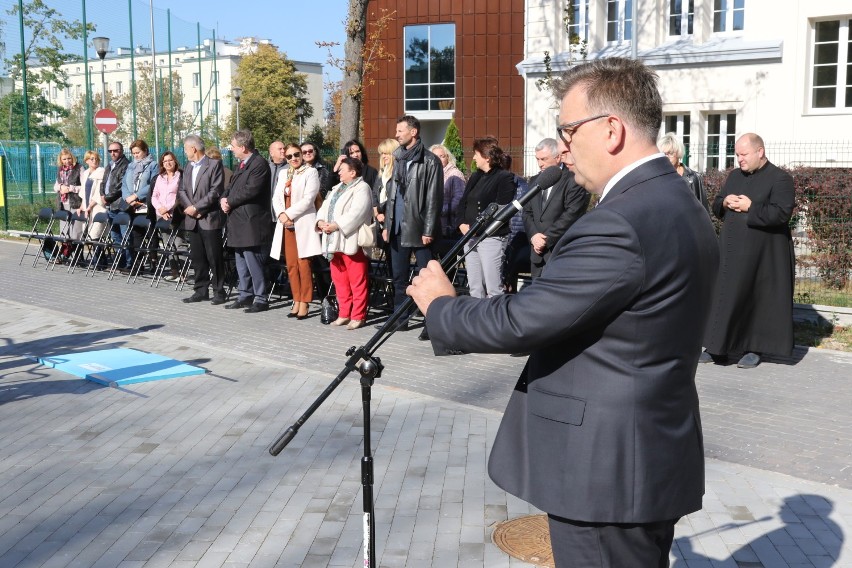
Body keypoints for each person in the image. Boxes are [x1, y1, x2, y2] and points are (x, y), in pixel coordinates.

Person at [406, 57, 719, 568]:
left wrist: (443, 306)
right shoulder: (678, 201)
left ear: (612, 129)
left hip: (605, 472)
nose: (563, 147)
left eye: (568, 130)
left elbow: (525, 319)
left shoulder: (621, 222)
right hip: (644, 455)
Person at [700, 133, 795, 369]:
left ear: (759, 152)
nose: (739, 160)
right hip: (731, 251)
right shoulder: (735, 176)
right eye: (737, 155)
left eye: (743, 155)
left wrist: (751, 207)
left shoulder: (780, 179)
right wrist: (724, 202)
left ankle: (753, 349)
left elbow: (781, 214)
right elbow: (716, 204)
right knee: (724, 297)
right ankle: (717, 348)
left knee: (755, 299)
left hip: (762, 254)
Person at [382, 115, 443, 336]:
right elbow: (392, 195)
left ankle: (431, 322)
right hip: (397, 228)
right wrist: (388, 224)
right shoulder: (397, 157)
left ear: (413, 132)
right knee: (399, 277)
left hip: (419, 229)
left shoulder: (429, 161)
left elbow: (434, 198)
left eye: (400, 131)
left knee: (426, 278)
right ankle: (400, 318)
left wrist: (428, 229)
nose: (396, 134)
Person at [316, 157, 374, 330]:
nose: (338, 172)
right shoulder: (336, 188)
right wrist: (320, 222)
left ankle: (358, 315)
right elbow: (325, 207)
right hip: (333, 241)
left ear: (353, 172)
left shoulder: (362, 188)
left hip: (350, 240)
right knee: (340, 280)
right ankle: (344, 313)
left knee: (357, 280)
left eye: (342, 169)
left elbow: (357, 213)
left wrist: (336, 225)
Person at [456, 136, 515, 298]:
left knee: (493, 287)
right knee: (475, 287)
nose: (473, 157)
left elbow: (503, 209)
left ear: (487, 157)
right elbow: (463, 202)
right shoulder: (476, 176)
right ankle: (476, 321)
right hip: (470, 237)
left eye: (476, 154)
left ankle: (495, 322)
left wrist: (478, 228)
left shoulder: (504, 178)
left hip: (491, 237)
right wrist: (461, 223)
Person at [522, 138, 590, 278]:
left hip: (560, 251)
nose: (540, 164)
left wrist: (546, 239)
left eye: (544, 159)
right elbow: (527, 212)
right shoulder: (535, 181)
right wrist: (534, 236)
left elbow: (572, 214)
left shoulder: (573, 179)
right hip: (537, 253)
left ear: (558, 157)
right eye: (538, 159)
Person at [220, 129, 272, 313]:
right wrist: (224, 199)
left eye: (233, 147)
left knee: (253, 261)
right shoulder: (240, 165)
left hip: (252, 221)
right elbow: (231, 187)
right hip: (238, 221)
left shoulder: (259, 164)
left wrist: (230, 201)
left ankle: (260, 297)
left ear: (243, 147)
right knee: (240, 260)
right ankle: (245, 295)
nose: (231, 150)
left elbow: (251, 190)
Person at [270, 143, 322, 319]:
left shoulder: (310, 172)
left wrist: (289, 213)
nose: (294, 159)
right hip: (286, 225)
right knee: (291, 265)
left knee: (304, 264)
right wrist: (281, 215)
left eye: (296, 155)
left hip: (303, 223)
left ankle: (305, 301)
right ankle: (296, 299)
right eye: (290, 156)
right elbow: (277, 197)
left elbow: (309, 199)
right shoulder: (284, 173)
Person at [179, 134, 227, 305]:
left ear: (193, 149)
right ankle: (201, 290)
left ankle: (219, 291)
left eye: (186, 149)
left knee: (214, 257)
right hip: (193, 219)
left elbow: (215, 191)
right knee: (198, 257)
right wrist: (190, 209)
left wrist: (198, 207)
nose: (185, 152)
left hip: (208, 218)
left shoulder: (214, 164)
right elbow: (182, 190)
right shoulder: (188, 167)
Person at [117, 139, 158, 272]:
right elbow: (124, 184)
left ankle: (153, 261)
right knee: (136, 234)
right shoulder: (130, 166)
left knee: (151, 234)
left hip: (146, 204)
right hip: (132, 205)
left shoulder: (153, 165)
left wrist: (137, 196)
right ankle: (138, 263)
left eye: (138, 152)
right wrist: (128, 198)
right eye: (133, 153)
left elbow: (152, 184)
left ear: (145, 151)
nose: (136, 155)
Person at [150, 151, 183, 281]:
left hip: (175, 213)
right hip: (161, 214)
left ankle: (183, 273)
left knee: (179, 242)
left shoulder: (180, 176)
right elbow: (154, 196)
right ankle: (174, 271)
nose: (168, 163)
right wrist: (160, 209)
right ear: (162, 164)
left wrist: (168, 209)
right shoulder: (160, 177)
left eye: (170, 160)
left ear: (175, 161)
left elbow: (180, 196)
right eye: (165, 161)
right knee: (168, 243)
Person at [658, 132, 710, 213]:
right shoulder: (656, 178)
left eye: (670, 153)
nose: (667, 158)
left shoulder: (693, 177)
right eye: (664, 154)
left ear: (678, 153)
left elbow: (703, 209)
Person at [501, 154, 530, 293]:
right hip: (504, 236)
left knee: (510, 272)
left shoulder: (521, 185)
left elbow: (522, 215)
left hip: (516, 236)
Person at [430, 143, 466, 245]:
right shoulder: (432, 173)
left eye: (442, 156)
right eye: (436, 156)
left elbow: (459, 199)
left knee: (446, 257)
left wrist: (440, 210)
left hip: (449, 225)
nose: (439, 159)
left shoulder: (455, 174)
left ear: (448, 158)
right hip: (434, 224)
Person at [102, 142, 131, 268]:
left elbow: (120, 186)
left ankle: (130, 263)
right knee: (115, 235)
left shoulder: (126, 165)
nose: (112, 153)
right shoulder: (109, 165)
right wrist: (102, 195)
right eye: (110, 151)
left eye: (115, 151)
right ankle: (121, 260)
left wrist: (107, 197)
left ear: (121, 151)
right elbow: (103, 183)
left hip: (120, 205)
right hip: (110, 206)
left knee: (125, 236)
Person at [53, 148, 83, 259]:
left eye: (69, 158)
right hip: (63, 203)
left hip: (76, 202)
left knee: (76, 231)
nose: (67, 161)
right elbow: (55, 186)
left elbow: (84, 187)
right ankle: (66, 254)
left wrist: (71, 188)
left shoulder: (79, 168)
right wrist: (61, 187)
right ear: (61, 160)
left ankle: (78, 256)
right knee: (64, 230)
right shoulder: (60, 170)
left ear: (73, 158)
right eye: (64, 159)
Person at [372, 138, 400, 254]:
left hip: (394, 222)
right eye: (382, 153)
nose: (384, 156)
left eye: (387, 153)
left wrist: (386, 215)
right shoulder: (382, 173)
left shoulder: (398, 173)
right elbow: (374, 195)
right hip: (381, 221)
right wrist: (377, 214)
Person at [80, 150, 106, 240]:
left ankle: (98, 254)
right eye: (92, 159)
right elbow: (83, 191)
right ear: (86, 161)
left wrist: (90, 206)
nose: (94, 161)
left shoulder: (101, 172)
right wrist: (82, 206)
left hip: (97, 207)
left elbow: (99, 193)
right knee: (87, 234)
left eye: (96, 159)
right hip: (87, 206)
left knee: (95, 234)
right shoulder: (86, 173)